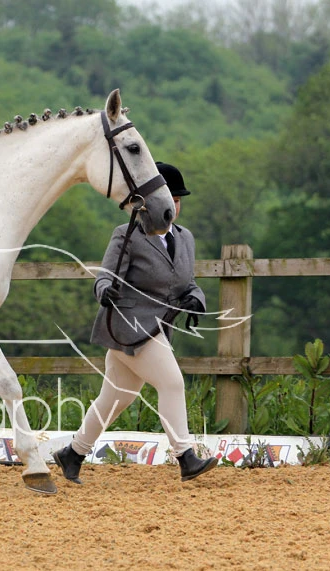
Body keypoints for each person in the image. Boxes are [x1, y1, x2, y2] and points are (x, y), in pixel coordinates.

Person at [53, 162, 217, 484]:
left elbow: (188, 283)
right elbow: (104, 276)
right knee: (172, 383)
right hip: (128, 326)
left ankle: (72, 453)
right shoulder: (128, 234)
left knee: (116, 399)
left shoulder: (185, 238)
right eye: (168, 200)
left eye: (177, 201)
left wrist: (196, 299)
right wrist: (105, 291)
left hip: (157, 328)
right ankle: (186, 457)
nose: (173, 207)